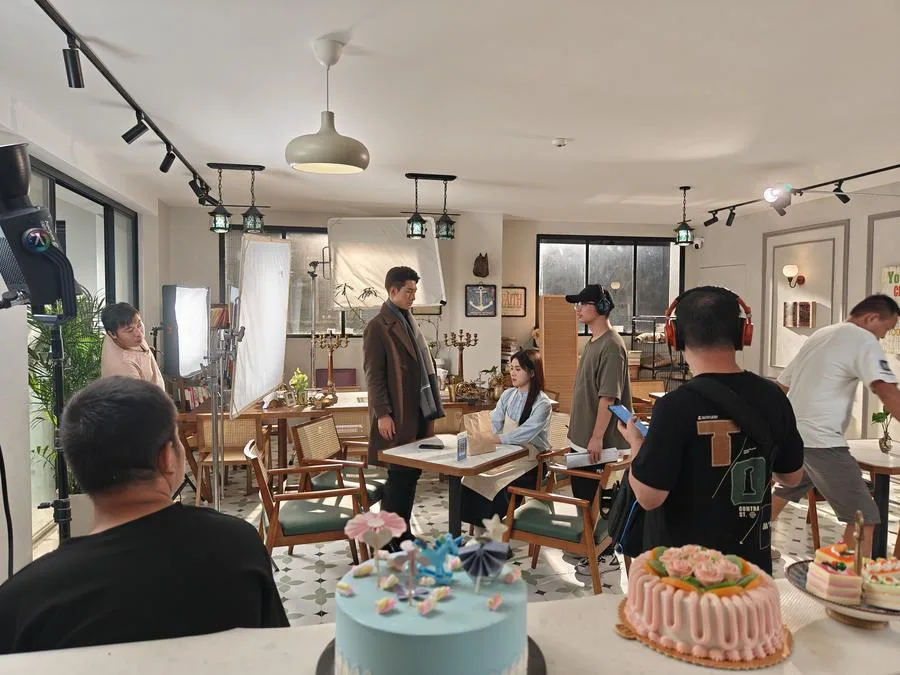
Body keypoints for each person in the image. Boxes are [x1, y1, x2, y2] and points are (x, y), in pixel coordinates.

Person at [0, 377, 288, 654]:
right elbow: (281, 656)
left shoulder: (22, 602)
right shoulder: (238, 546)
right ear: (166, 457)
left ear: (78, 468)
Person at [620, 286, 804, 573]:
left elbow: (649, 497)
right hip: (748, 568)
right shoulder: (773, 396)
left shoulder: (674, 406)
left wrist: (636, 444)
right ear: (743, 334)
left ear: (674, 336)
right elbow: (791, 477)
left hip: (685, 571)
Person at [771, 294, 900, 558]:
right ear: (871, 318)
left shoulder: (821, 334)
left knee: (786, 488)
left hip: (794, 437)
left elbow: (781, 385)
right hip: (822, 442)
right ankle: (846, 577)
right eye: (886, 329)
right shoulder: (863, 339)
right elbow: (887, 392)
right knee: (864, 516)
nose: (883, 336)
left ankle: (745, 541)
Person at [364, 266, 444, 549]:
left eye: (414, 291)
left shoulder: (409, 321)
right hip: (396, 415)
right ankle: (389, 539)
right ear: (393, 290)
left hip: (416, 413)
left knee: (410, 474)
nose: (413, 296)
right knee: (398, 475)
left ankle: (403, 534)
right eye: (409, 291)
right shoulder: (378, 327)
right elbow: (373, 376)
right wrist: (383, 414)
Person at [564, 284, 632, 576]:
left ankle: (605, 556)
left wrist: (595, 437)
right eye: (576, 304)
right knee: (584, 497)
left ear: (602, 307)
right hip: (582, 438)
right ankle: (589, 545)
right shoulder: (593, 342)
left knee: (598, 501)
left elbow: (609, 398)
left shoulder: (612, 346)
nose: (577, 309)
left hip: (599, 441)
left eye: (583, 304)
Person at [460, 349, 553, 527]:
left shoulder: (542, 403)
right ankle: (482, 533)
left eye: (518, 369)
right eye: (511, 368)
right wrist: (478, 433)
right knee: (471, 479)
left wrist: (496, 439)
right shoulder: (508, 395)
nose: (512, 373)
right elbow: (494, 422)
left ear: (532, 372)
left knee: (495, 485)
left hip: (531, 462)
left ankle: (493, 533)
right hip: (507, 455)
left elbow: (524, 433)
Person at [100, 302, 164, 389]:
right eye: (130, 330)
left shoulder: (122, 334)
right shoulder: (123, 368)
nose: (139, 333)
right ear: (112, 334)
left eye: (139, 324)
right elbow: (139, 396)